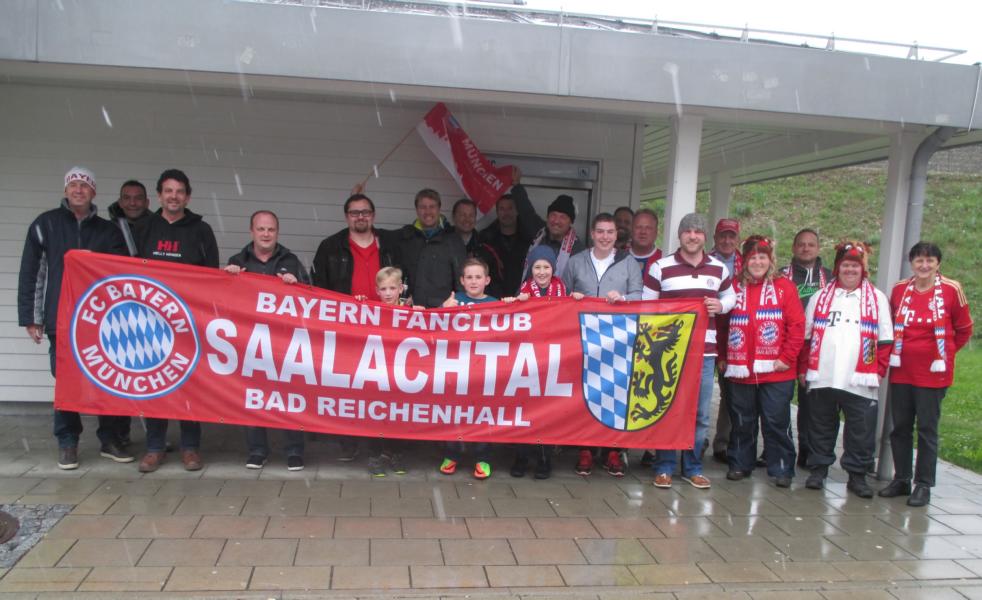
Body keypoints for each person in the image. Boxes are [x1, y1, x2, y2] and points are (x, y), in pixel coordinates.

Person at [17, 167, 130, 469]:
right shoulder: (45, 224)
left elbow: (122, 274)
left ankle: (110, 439)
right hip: (62, 318)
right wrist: (32, 317)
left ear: (94, 192)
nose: (79, 190)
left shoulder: (108, 231)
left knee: (108, 379)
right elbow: (33, 273)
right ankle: (67, 442)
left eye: (85, 185)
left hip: (102, 322)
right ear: (66, 190)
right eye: (74, 185)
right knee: (66, 382)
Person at [643, 212, 736, 489]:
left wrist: (721, 306)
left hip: (704, 353)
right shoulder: (660, 267)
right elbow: (647, 308)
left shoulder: (718, 268)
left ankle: (693, 467)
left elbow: (730, 295)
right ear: (680, 235)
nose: (692, 236)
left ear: (705, 237)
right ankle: (664, 466)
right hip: (669, 351)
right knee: (667, 408)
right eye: (687, 231)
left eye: (698, 232)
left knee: (700, 414)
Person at [136, 168, 219, 473]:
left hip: (188, 322)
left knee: (188, 385)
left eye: (179, 191)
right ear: (159, 195)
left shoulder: (201, 230)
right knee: (154, 383)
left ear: (188, 197)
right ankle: (154, 447)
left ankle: (190, 447)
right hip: (150, 321)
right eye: (168, 191)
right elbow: (126, 270)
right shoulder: (143, 227)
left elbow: (212, 277)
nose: (174, 196)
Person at [879, 242, 973, 507]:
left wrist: (946, 354)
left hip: (933, 373)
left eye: (930, 261)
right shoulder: (900, 289)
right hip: (902, 370)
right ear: (911, 263)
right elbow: (891, 323)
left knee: (927, 429)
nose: (924, 265)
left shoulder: (952, 290)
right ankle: (901, 478)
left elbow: (964, 329)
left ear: (938, 264)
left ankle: (923, 484)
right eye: (919, 260)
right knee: (900, 427)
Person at [801, 241, 893, 497]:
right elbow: (807, 338)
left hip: (860, 378)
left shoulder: (877, 299)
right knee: (820, 426)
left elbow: (885, 341)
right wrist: (803, 368)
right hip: (824, 375)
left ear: (863, 269)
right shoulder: (820, 297)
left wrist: (878, 371)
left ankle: (857, 476)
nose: (850, 270)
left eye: (855, 266)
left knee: (860, 430)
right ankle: (818, 470)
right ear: (837, 268)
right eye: (845, 265)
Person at [311, 192, 398, 460]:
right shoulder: (330, 246)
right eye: (354, 212)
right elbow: (319, 288)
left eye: (365, 212)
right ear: (346, 216)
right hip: (347, 328)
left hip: (385, 328)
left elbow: (403, 278)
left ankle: (380, 442)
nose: (360, 217)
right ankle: (348, 441)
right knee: (347, 386)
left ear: (373, 215)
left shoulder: (391, 244)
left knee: (381, 386)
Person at [225, 210, 309, 471]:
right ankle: (257, 451)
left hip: (284, 341)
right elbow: (223, 300)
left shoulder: (291, 260)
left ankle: (294, 451)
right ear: (251, 231)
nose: (265, 234)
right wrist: (227, 278)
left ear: (277, 232)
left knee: (289, 397)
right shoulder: (237, 261)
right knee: (252, 395)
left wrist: (297, 284)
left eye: (271, 229)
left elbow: (310, 298)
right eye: (261, 229)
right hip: (248, 340)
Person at [563, 213, 643, 477]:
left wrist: (623, 297)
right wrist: (572, 297)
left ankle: (613, 450)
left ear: (616, 235)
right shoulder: (576, 262)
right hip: (583, 336)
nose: (605, 237)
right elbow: (562, 294)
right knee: (585, 393)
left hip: (618, 338)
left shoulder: (629, 262)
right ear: (592, 233)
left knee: (615, 393)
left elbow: (640, 295)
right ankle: (585, 449)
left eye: (610, 232)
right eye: (600, 231)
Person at [723, 236, 805, 487]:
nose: (757, 262)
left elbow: (797, 326)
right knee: (742, 420)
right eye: (753, 258)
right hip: (741, 368)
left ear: (770, 260)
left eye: (762, 257)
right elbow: (722, 323)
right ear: (745, 261)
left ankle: (781, 467)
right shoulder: (734, 286)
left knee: (776, 420)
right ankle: (740, 463)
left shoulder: (784, 287)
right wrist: (723, 356)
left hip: (777, 369)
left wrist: (787, 358)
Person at [503, 245, 566, 479]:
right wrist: (514, 302)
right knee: (525, 408)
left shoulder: (562, 289)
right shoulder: (524, 290)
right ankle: (521, 456)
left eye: (546, 267)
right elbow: (511, 317)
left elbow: (569, 314)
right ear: (530, 269)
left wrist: (577, 299)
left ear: (553, 268)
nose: (541, 272)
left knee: (547, 409)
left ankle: (544, 458)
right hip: (528, 358)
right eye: (537, 267)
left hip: (552, 358)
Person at [440, 258, 498, 479]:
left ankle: (482, 458)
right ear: (462, 281)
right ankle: (451, 454)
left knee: (483, 414)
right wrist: (443, 310)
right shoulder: (453, 301)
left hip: (484, 370)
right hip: (456, 368)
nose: (474, 281)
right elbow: (434, 328)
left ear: (487, 280)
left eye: (478, 277)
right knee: (454, 413)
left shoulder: (496, 303)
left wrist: (514, 303)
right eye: (469, 277)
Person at [107, 179, 153, 446]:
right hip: (117, 310)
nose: (133, 203)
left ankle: (154, 437)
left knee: (152, 374)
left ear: (147, 202)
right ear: (120, 200)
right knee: (119, 375)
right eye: (127, 197)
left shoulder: (156, 228)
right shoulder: (107, 229)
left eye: (138, 198)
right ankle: (116, 437)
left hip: (152, 310)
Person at [781, 228, 833, 467]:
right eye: (801, 244)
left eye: (811, 244)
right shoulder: (782, 275)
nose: (805, 248)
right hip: (784, 344)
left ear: (818, 248)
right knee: (778, 402)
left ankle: (807, 451)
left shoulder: (830, 278)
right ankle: (777, 449)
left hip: (814, 347)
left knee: (810, 403)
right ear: (793, 248)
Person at [365, 266, 415, 477]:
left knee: (398, 414)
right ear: (377, 290)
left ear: (401, 288)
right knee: (375, 413)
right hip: (377, 372)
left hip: (401, 373)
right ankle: (375, 455)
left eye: (392, 288)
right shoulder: (369, 310)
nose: (387, 293)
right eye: (383, 289)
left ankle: (396, 453)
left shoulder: (412, 311)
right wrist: (357, 304)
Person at [396, 189, 467, 308]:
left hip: (443, 310)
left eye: (432, 207)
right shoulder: (406, 237)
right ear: (417, 210)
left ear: (439, 209)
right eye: (423, 207)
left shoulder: (452, 238)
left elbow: (462, 279)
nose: (427, 211)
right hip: (412, 309)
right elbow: (397, 275)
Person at [511, 169, 585, 280]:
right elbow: (526, 211)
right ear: (547, 217)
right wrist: (516, 185)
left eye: (562, 217)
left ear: (570, 222)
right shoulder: (539, 232)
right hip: (529, 290)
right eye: (553, 215)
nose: (556, 221)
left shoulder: (578, 250)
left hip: (561, 291)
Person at [709, 218, 741, 464]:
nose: (727, 241)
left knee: (730, 394)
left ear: (738, 239)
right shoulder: (705, 261)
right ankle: (694, 442)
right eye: (723, 236)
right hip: (707, 331)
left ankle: (723, 443)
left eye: (731, 236)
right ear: (715, 238)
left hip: (734, 334)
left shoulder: (748, 264)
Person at [479, 191, 530, 296]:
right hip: (493, 299)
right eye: (502, 209)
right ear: (497, 212)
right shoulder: (485, 239)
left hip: (523, 298)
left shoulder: (529, 239)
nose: (506, 213)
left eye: (510, 208)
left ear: (517, 211)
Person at [452, 198, 504, 298]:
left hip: (479, 305)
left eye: (471, 215)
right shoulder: (442, 244)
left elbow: (496, 284)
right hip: (450, 304)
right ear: (454, 217)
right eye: (463, 215)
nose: (467, 219)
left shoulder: (487, 247)